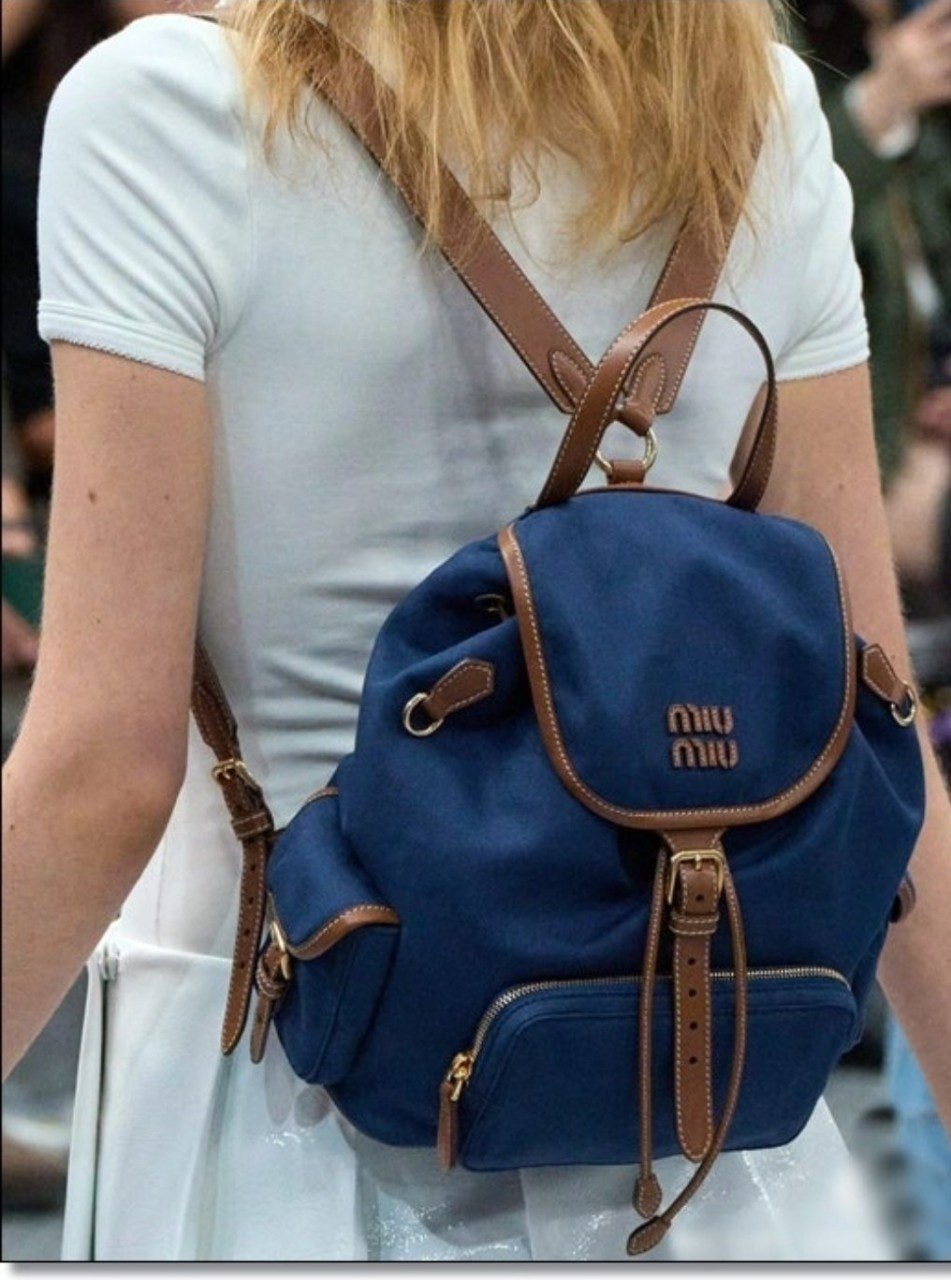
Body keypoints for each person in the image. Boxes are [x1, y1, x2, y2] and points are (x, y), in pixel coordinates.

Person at [2, 0, 950, 1262]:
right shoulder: (759, 112)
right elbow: (872, 723)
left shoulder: (171, 110)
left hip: (294, 1089)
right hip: (694, 1116)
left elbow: (102, 775)